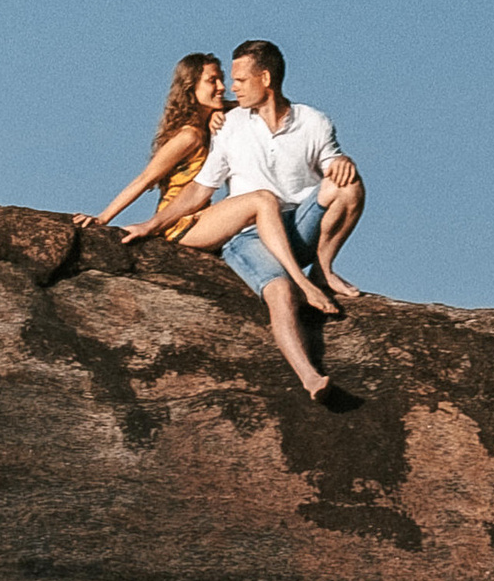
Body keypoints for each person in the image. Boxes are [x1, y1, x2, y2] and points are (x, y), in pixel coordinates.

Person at [143, 37, 366, 403]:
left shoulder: (314, 121)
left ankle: (323, 270)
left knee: (348, 185)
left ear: (265, 78)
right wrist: (152, 225)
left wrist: (342, 163)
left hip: (298, 226)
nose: (232, 88)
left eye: (240, 80)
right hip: (250, 236)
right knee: (280, 292)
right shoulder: (230, 125)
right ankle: (310, 377)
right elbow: (200, 191)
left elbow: (331, 168)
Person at [74, 51, 227, 243]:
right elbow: (146, 179)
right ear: (190, 86)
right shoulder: (189, 136)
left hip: (201, 217)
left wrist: (218, 111)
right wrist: (103, 218)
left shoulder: (209, 126)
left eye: (222, 79)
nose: (221, 87)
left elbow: (254, 103)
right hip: (179, 222)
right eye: (212, 80)